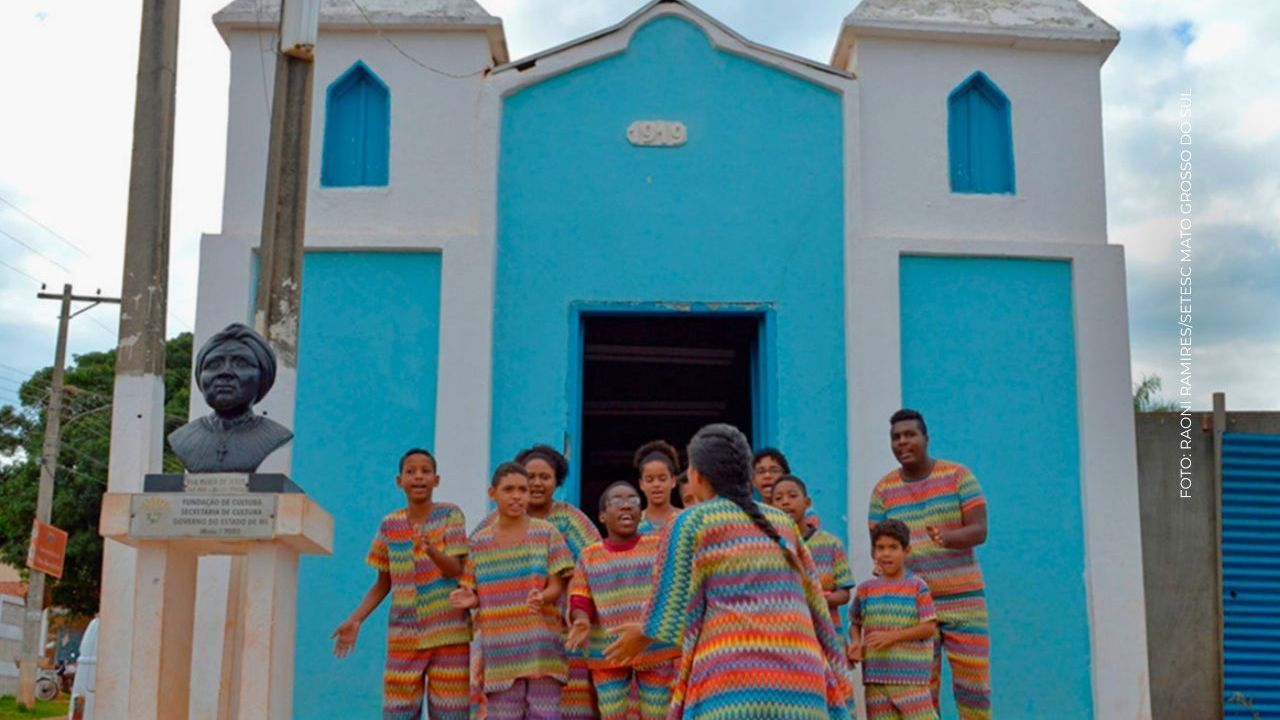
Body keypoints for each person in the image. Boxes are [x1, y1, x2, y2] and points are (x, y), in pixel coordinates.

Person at [607, 423, 852, 720]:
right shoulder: (783, 523)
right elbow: (817, 609)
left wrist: (641, 634)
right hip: (803, 685)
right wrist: (839, 687)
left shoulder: (691, 522)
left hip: (731, 684)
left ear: (697, 476)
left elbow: (671, 610)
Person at [868, 409, 991, 719]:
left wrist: (946, 537)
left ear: (926, 438)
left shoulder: (958, 476)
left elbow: (980, 530)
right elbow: (878, 545)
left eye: (910, 435)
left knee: (974, 689)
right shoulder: (883, 491)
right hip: (914, 608)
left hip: (964, 602)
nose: (902, 442)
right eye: (896, 437)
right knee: (922, 693)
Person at [331, 449, 470, 720]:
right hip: (404, 635)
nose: (418, 477)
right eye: (411, 471)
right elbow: (383, 583)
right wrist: (356, 619)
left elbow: (455, 569)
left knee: (452, 712)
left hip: (449, 632)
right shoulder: (390, 525)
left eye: (425, 471)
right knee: (398, 712)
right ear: (399, 481)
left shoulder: (450, 515)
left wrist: (431, 550)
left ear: (436, 480)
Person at [473, 445, 602, 719]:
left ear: (557, 481)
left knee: (563, 705)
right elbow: (472, 571)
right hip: (506, 636)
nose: (536, 484)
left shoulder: (570, 520)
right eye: (530, 477)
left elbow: (595, 562)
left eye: (545, 477)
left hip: (560, 632)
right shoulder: (490, 527)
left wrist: (578, 611)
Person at [450, 462, 575, 720]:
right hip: (500, 652)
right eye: (508, 489)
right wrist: (472, 599)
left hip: (542, 648)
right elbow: (472, 589)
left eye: (522, 490)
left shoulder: (547, 533)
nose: (517, 496)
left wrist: (543, 597)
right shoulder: (479, 542)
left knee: (546, 714)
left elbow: (557, 584)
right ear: (492, 493)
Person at [566, 482, 680, 720]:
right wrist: (581, 621)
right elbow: (580, 598)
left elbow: (671, 589)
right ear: (602, 516)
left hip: (654, 644)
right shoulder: (589, 555)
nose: (627, 505)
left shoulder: (659, 546)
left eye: (633, 501)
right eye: (617, 501)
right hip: (608, 650)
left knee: (657, 712)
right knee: (612, 713)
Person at [168, 322, 293, 472]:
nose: (225, 372)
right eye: (214, 365)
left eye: (241, 364)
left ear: (263, 377)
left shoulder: (275, 435)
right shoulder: (182, 439)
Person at [849, 520, 938, 720]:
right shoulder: (866, 589)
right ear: (873, 552)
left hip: (911, 679)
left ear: (906, 551)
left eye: (893, 547)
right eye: (880, 548)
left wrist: (891, 637)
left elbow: (928, 627)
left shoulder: (917, 586)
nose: (886, 554)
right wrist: (855, 643)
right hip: (875, 679)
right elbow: (855, 622)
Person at [772, 475, 855, 634]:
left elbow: (844, 594)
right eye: (778, 498)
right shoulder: (770, 546)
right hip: (787, 634)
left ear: (807, 502)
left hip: (826, 633)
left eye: (792, 496)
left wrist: (819, 600)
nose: (785, 502)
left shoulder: (831, 543)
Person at [633, 440, 681, 533]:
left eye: (662, 479)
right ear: (641, 484)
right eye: (649, 480)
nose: (656, 484)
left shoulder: (685, 519)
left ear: (673, 481)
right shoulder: (634, 522)